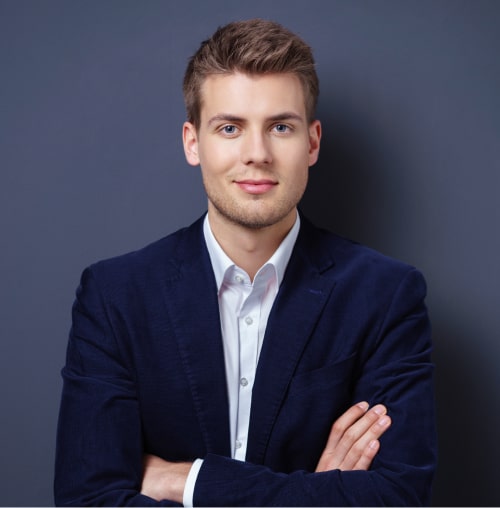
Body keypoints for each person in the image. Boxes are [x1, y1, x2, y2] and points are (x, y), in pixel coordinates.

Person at [54, 18, 437, 506]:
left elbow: (396, 496)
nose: (257, 154)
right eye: (230, 128)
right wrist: (317, 493)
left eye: (280, 127)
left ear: (312, 142)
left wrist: (187, 481)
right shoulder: (114, 297)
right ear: (193, 142)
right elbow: (86, 499)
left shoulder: (386, 296)